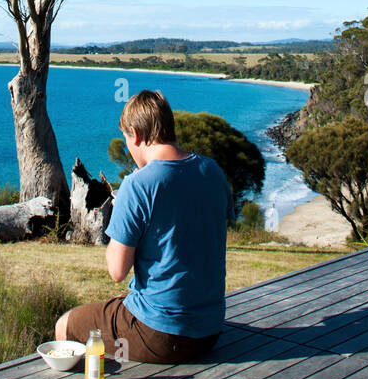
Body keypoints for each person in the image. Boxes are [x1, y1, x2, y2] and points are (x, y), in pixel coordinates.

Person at [54, 88, 235, 364]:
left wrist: (122, 216)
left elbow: (116, 270)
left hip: (161, 334)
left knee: (64, 324)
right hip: (210, 330)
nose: (127, 146)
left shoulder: (138, 185)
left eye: (126, 139)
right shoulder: (212, 170)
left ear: (136, 135)